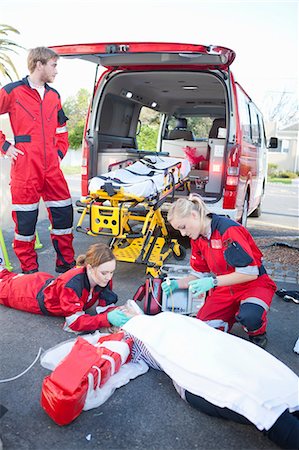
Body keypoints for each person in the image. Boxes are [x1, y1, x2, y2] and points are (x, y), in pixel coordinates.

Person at [122, 311, 299, 450]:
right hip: (198, 376)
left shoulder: (165, 318)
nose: (124, 310)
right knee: (256, 401)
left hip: (216, 350)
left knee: (261, 375)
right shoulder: (132, 334)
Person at [161, 194, 277, 348]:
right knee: (202, 328)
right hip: (225, 287)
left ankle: (257, 332)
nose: (182, 234)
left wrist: (212, 282)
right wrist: (176, 284)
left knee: (250, 316)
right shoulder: (197, 239)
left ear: (194, 215)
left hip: (254, 285)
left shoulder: (228, 230)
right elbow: (197, 274)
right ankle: (232, 316)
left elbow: (249, 273)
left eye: (183, 227)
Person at [0, 46, 75, 274]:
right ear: (39, 64)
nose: (56, 70)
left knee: (64, 216)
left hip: (52, 169)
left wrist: (58, 154)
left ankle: (66, 265)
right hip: (25, 169)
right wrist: (4, 146)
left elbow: (62, 131)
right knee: (25, 224)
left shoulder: (54, 96)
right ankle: (30, 272)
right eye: (53, 65)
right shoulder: (12, 91)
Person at [0, 242, 129, 332]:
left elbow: (105, 307)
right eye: (105, 273)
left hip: (45, 282)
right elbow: (74, 323)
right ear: (90, 268)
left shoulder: (103, 279)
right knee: (4, 286)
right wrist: (106, 319)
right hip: (31, 295)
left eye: (112, 272)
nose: (109, 277)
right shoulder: (72, 285)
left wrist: (121, 314)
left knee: (7, 277)